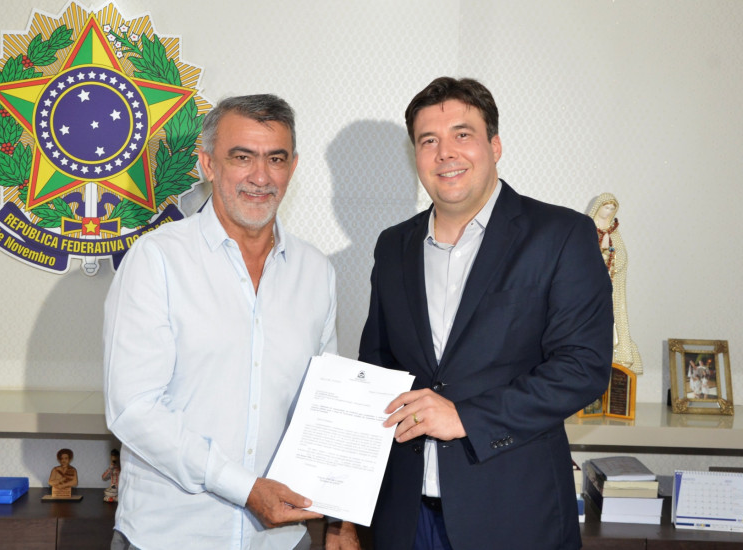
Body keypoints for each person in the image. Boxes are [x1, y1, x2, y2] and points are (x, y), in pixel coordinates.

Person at [346, 77, 613, 550]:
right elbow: (377, 368)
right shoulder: (393, 246)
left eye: (462, 134)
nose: (445, 153)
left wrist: (466, 417)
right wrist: (345, 509)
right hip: (402, 518)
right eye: (429, 141)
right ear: (416, 156)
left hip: (512, 516)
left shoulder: (561, 235)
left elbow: (583, 368)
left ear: (495, 145)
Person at [103, 94, 340, 549]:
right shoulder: (156, 260)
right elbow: (133, 410)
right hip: (170, 538)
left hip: (281, 541)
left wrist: (340, 514)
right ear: (208, 164)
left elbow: (322, 408)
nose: (260, 176)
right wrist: (246, 488)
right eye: (242, 157)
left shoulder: (317, 273)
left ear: (292, 167)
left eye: (275, 159)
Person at [587, 193, 643, 374]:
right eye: (606, 207)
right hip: (591, 286)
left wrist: (612, 255)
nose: (608, 211)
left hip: (610, 284)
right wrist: (600, 252)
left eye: (612, 208)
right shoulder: (587, 229)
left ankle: (618, 353)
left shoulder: (613, 231)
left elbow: (622, 256)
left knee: (614, 315)